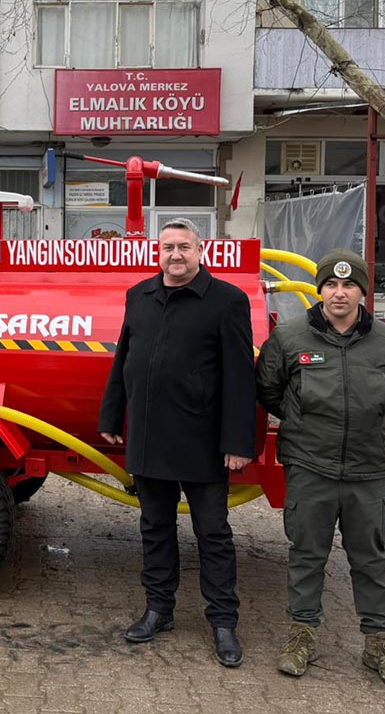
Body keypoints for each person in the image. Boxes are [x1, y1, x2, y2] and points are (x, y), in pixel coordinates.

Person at [255, 249, 385, 691]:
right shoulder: (290, 338)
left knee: (370, 558)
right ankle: (302, 634)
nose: (339, 293)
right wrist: (305, 424)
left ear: (363, 291)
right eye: (331, 284)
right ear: (319, 289)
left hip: (367, 469)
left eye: (349, 285)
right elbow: (268, 390)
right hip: (310, 466)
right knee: (307, 554)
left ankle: (379, 642)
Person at [98, 219, 256, 667]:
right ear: (158, 252)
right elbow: (124, 358)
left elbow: (240, 379)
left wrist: (238, 441)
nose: (175, 255)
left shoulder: (227, 302)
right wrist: (112, 414)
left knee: (213, 533)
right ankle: (158, 610)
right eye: (168, 247)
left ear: (201, 251)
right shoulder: (139, 296)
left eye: (184, 247)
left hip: (204, 442)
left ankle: (223, 623)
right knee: (155, 528)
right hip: (149, 437)